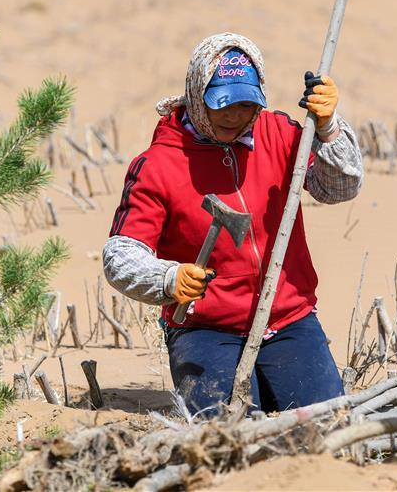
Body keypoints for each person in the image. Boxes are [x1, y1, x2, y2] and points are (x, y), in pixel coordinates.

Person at [102, 32, 363, 417]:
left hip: (288, 319)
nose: (234, 116)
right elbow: (120, 255)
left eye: (245, 104)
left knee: (327, 423)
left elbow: (340, 188)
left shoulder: (280, 134)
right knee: (227, 431)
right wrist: (168, 279)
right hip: (205, 330)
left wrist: (328, 129)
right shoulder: (157, 166)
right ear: (196, 96)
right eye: (221, 104)